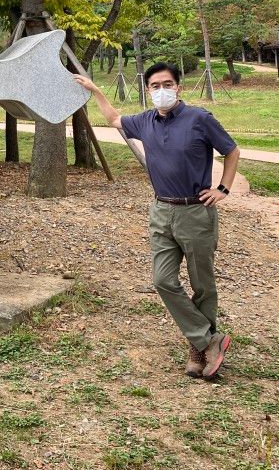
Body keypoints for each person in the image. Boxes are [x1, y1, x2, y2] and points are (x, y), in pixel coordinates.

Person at [73, 62, 240, 382]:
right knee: (163, 279)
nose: (161, 90)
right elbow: (113, 118)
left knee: (202, 284)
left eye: (167, 84)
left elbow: (231, 151)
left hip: (196, 212)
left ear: (178, 87)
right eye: (154, 86)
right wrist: (95, 90)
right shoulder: (145, 121)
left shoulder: (200, 119)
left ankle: (198, 349)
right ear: (148, 90)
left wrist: (222, 189)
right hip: (161, 212)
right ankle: (207, 340)